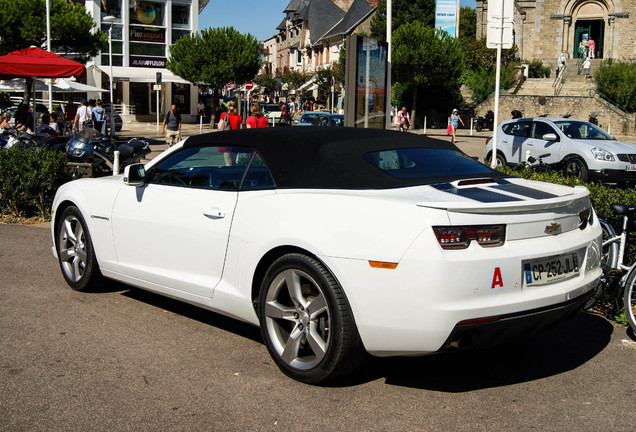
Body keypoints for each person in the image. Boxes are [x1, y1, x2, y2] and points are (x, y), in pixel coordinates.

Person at [218, 100, 242, 166]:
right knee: (234, 162)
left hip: (226, 140)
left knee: (228, 162)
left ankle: (229, 175)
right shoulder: (239, 117)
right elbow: (240, 130)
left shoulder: (224, 115)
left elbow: (220, 127)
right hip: (235, 141)